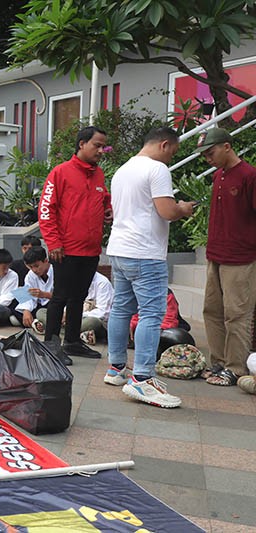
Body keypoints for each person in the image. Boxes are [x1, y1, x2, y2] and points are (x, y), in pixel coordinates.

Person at [104, 127, 195, 408]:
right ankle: (142, 379)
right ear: (165, 145)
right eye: (173, 152)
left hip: (119, 249)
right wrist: (183, 208)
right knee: (152, 314)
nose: (171, 158)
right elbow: (166, 211)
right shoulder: (156, 170)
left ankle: (116, 369)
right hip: (145, 252)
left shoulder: (123, 170)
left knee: (121, 308)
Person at [38, 126, 112, 360]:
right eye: (97, 145)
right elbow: (46, 209)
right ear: (82, 144)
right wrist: (53, 242)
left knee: (79, 297)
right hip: (65, 249)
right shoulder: (60, 173)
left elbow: (104, 199)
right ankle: (51, 344)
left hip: (91, 249)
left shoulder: (98, 174)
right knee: (60, 296)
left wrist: (108, 210)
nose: (101, 151)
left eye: (103, 146)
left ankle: (71, 342)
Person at [195, 128, 256, 386]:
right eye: (205, 155)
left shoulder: (249, 176)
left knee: (237, 313)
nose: (208, 159)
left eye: (211, 153)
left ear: (227, 146)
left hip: (241, 257)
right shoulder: (219, 176)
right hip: (216, 254)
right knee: (211, 310)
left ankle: (236, 368)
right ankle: (218, 363)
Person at [13, 246, 52, 335]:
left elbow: (64, 296)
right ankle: (35, 322)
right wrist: (26, 311)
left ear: (46, 261)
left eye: (36, 266)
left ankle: (36, 322)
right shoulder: (30, 275)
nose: (34, 270)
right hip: (37, 305)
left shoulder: (57, 271)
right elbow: (27, 295)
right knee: (16, 298)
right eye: (30, 267)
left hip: (53, 305)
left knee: (42, 312)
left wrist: (44, 294)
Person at [78, 271, 114, 346]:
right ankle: (79, 334)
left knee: (93, 322)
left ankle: (68, 331)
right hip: (77, 318)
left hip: (99, 321)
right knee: (50, 314)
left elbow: (103, 313)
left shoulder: (102, 283)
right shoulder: (75, 279)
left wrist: (76, 315)